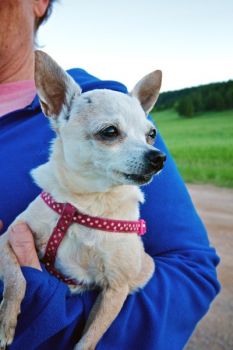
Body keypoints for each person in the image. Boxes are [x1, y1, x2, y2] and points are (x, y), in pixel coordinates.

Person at [0, 1, 220, 349]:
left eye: (146, 136)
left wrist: (46, 312)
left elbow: (190, 276)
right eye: (109, 135)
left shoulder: (110, 106)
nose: (146, 147)